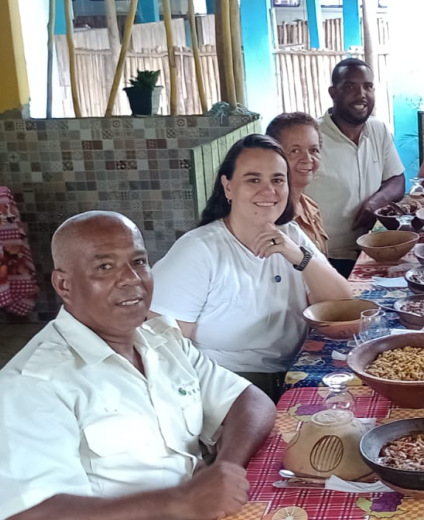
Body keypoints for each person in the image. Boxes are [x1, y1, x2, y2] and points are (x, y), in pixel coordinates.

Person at [0, 211, 277, 520]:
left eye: (138, 262)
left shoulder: (160, 342)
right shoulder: (28, 388)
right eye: (104, 267)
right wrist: (181, 502)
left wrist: (218, 479)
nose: (131, 280)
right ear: (64, 285)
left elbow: (251, 402)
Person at [151, 135, 353, 395]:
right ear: (228, 187)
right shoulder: (198, 250)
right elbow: (165, 348)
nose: (268, 191)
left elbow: (344, 307)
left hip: (292, 373)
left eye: (278, 180)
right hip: (226, 387)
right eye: (253, 179)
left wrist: (298, 256)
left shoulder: (290, 235)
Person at [310, 58, 406, 276]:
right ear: (333, 93)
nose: (362, 94)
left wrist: (376, 202)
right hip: (325, 258)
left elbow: (397, 179)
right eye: (350, 86)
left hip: (374, 249)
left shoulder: (378, 129)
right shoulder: (311, 137)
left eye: (368, 86)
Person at [266, 112, 328, 254]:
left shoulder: (310, 206)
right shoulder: (271, 217)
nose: (307, 159)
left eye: (314, 150)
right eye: (295, 151)